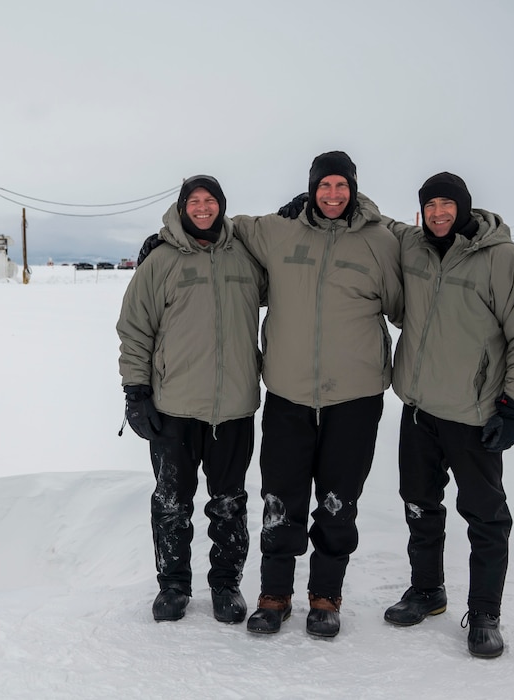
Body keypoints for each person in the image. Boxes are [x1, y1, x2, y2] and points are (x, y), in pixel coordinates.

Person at [380, 172, 514, 658]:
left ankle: (484, 613)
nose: (438, 213)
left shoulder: (507, 262)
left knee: (485, 517)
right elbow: (373, 219)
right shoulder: (412, 248)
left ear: (464, 207)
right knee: (419, 504)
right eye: (429, 206)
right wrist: (310, 199)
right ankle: (427, 590)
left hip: (474, 413)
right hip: (418, 409)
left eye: (446, 204)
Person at [230, 151, 404, 638]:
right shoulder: (279, 230)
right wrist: (167, 237)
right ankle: (274, 595)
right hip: (288, 392)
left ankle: (326, 596)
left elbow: (403, 305)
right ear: (310, 188)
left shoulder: (380, 241)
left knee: (337, 499)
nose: (332, 196)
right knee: (280, 498)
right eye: (323, 186)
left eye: (340, 187)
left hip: (355, 396)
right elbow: (221, 225)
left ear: (354, 189)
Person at [117, 175, 266, 623]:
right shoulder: (160, 261)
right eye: (194, 201)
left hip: (234, 405)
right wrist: (135, 390)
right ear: (182, 207)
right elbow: (135, 328)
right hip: (173, 405)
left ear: (222, 206)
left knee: (229, 502)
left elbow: (289, 282)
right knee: (171, 502)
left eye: (210, 201)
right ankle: (174, 586)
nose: (202, 208)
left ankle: (226, 585)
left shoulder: (245, 256)